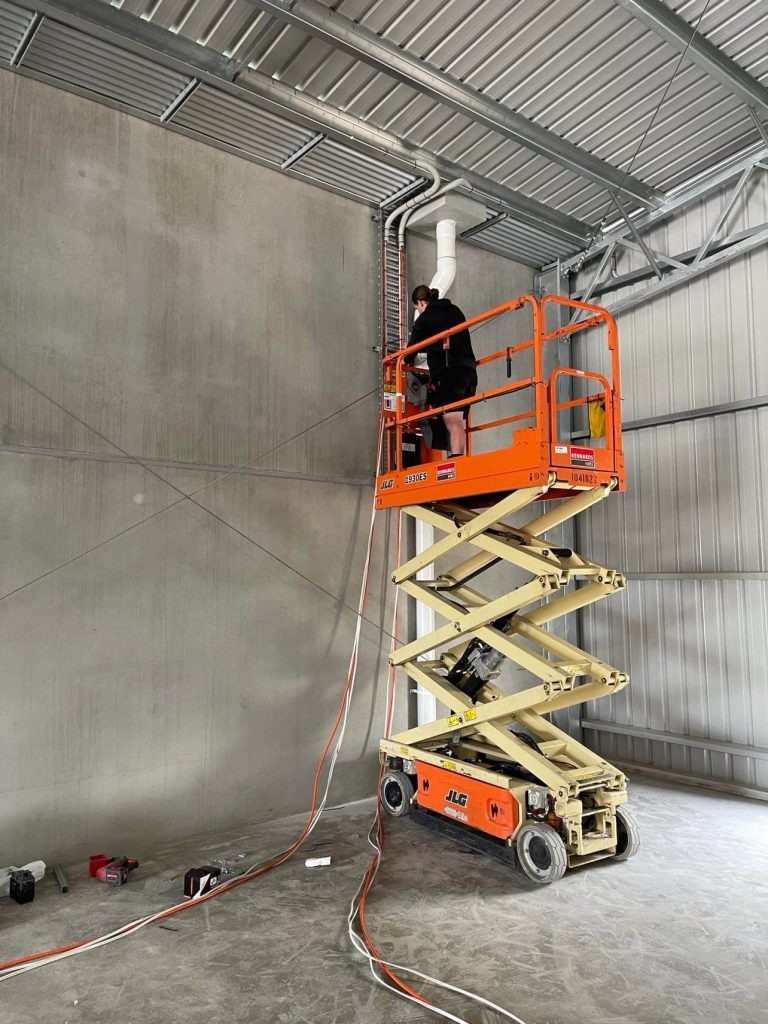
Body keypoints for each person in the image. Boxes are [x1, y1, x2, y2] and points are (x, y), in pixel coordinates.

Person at [409, 285, 477, 456]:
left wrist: (401, 361)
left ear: (420, 303)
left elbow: (410, 351)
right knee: (458, 420)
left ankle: (456, 462)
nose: (418, 310)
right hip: (469, 372)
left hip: (450, 373)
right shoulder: (455, 310)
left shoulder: (425, 319)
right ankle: (458, 458)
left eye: (417, 308)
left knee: (452, 420)